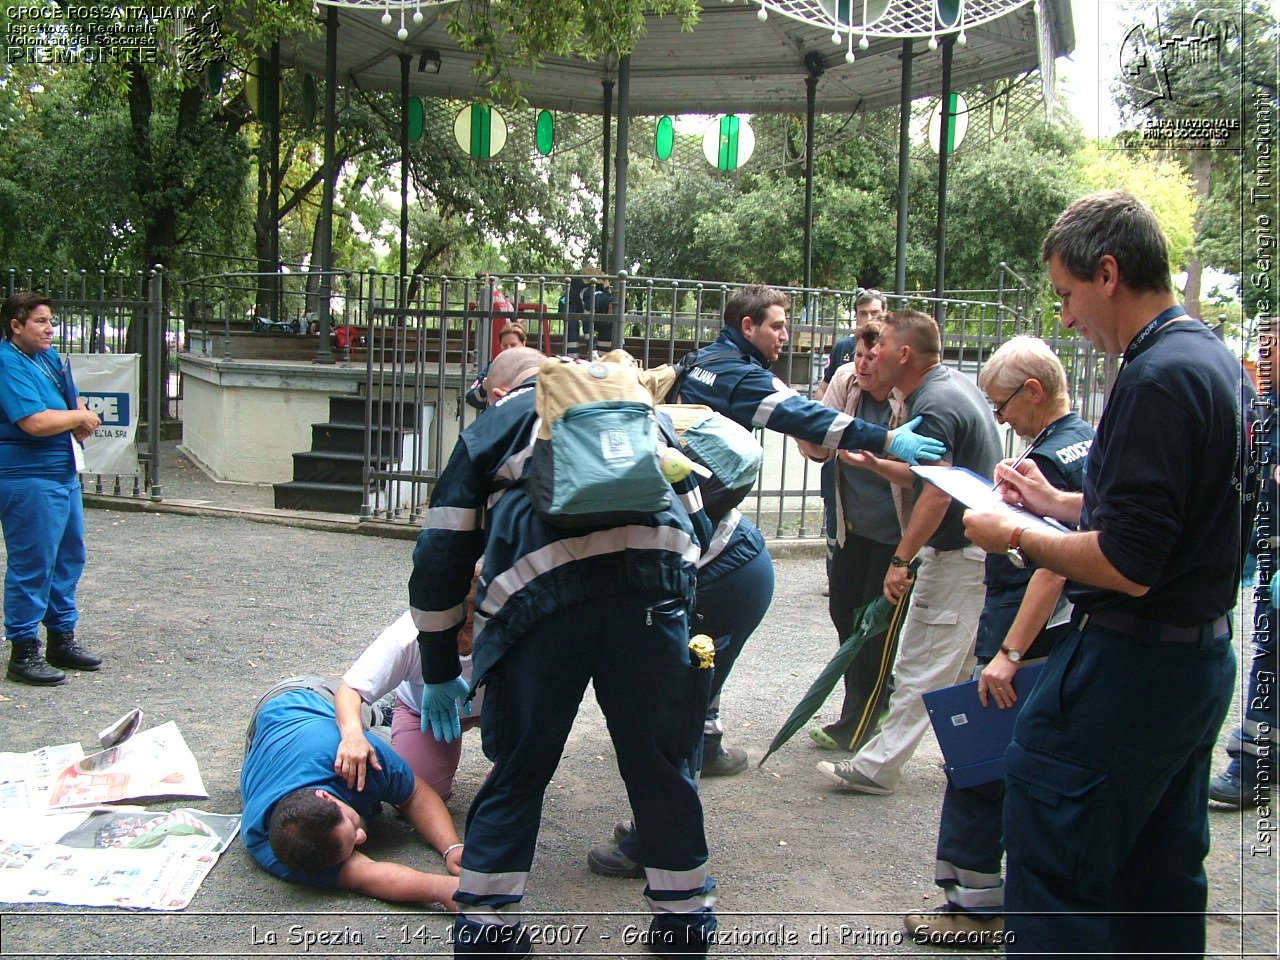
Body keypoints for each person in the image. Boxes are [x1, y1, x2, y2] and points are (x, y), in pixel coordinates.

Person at [962, 190, 1241, 956]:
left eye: (1067, 294)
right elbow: (1179, 507)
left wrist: (1018, 533)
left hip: (1131, 666)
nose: (1067, 318)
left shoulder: (1152, 377)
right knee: (1157, 877)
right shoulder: (1209, 357)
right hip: (1193, 663)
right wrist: (1061, 500)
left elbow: (1128, 561)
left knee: (1060, 865)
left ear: (1108, 273)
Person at [408, 346, 718, 956]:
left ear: (499, 392)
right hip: (651, 604)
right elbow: (698, 523)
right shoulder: (638, 406)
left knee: (520, 769)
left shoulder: (493, 426)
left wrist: (441, 667)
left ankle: (488, 935)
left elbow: (440, 553)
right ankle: (685, 927)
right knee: (659, 767)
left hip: (540, 610)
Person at [668, 285, 946, 772]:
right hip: (698, 522)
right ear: (747, 327)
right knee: (729, 600)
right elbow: (807, 416)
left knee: (695, 616)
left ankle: (685, 731)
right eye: (777, 325)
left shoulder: (701, 361)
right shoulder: (739, 375)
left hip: (683, 514)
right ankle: (696, 738)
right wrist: (884, 438)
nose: (785, 335)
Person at [905, 336, 1094, 947]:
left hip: (1029, 637)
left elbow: (1054, 567)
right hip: (1046, 637)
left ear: (1033, 392)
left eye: (1002, 403)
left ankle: (975, 909)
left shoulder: (1058, 458)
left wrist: (1008, 656)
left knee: (979, 766)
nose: (1000, 418)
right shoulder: (1079, 441)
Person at [816, 308, 1001, 795]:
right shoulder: (948, 386)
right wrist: (878, 464)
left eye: (882, 346)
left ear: (904, 353)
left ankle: (876, 768)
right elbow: (929, 475)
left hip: (960, 553)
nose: (871, 353)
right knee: (958, 668)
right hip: (974, 551)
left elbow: (938, 494)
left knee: (921, 663)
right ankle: (983, 758)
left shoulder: (934, 403)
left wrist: (902, 559)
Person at [239, 675, 462, 907]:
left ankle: (383, 708)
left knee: (372, 728)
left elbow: (415, 793)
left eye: (352, 828)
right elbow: (366, 875)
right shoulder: (264, 840)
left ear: (326, 797)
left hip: (309, 697)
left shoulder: (353, 756)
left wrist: (452, 847)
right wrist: (444, 889)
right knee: (392, 745)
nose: (362, 837)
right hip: (271, 738)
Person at [797, 320, 911, 753]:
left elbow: (919, 474)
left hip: (895, 535)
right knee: (844, 613)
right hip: (853, 527)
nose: (862, 365)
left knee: (873, 626)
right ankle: (870, 700)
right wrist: (805, 433)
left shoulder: (906, 398)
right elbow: (819, 445)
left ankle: (861, 719)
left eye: (871, 358)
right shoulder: (846, 383)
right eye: (858, 356)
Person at [0, 292, 102, 686]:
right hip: (29, 476)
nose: (49, 328)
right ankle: (23, 649)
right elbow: (34, 421)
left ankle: (61, 636)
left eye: (51, 320)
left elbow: (67, 396)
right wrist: (78, 416)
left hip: (61, 472)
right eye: (41, 321)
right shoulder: (9, 362)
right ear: (16, 325)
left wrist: (78, 414)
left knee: (68, 556)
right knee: (33, 563)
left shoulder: (46, 356)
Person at [333, 577, 482, 805]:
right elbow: (350, 688)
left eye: (469, 626)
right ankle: (387, 720)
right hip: (426, 711)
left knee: (515, 790)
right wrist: (353, 735)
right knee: (413, 796)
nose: (459, 636)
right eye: (450, 628)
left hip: (499, 708)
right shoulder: (408, 635)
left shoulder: (511, 627)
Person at [1209, 315, 1278, 807]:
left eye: (1273, 347)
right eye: (1262, 345)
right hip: (1267, 554)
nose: (1266, 356)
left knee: (1269, 660)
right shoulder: (1265, 401)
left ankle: (1251, 769)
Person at [815, 290, 889, 594]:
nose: (862, 363)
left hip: (887, 516)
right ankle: (835, 573)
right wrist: (810, 423)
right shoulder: (844, 351)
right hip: (845, 462)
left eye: (875, 313)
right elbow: (824, 390)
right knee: (837, 513)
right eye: (862, 314)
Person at [464, 323, 529, 411]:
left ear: (523, 343)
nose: (508, 349)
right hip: (496, 420)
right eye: (505, 345)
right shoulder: (493, 367)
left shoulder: (532, 368)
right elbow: (471, 398)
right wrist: (484, 388)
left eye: (513, 345)